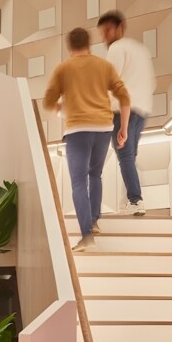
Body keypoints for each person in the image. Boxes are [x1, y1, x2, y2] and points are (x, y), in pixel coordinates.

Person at [43, 27, 131, 252]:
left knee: (79, 182)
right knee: (95, 175)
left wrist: (63, 108)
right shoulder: (104, 66)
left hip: (78, 130)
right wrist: (124, 129)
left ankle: (86, 236)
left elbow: (48, 101)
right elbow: (124, 96)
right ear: (89, 44)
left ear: (69, 46)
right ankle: (93, 221)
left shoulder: (63, 68)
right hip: (103, 127)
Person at [97, 10, 156, 216]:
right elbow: (151, 82)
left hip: (123, 109)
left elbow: (110, 82)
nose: (105, 36)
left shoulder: (116, 48)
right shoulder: (140, 50)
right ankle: (133, 199)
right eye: (102, 33)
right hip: (143, 109)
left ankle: (135, 200)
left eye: (108, 31)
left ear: (120, 27)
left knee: (124, 155)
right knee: (130, 155)